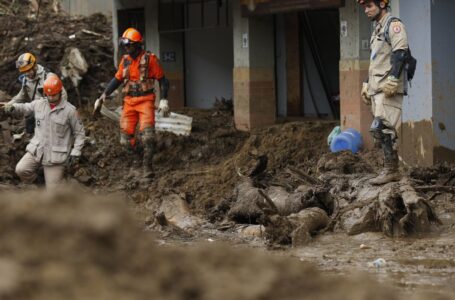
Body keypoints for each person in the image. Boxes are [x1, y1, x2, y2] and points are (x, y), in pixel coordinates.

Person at [95, 27, 169, 182]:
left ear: (138, 45)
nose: (127, 48)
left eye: (129, 45)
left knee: (148, 137)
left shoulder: (150, 59)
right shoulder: (125, 61)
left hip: (146, 101)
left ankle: (147, 167)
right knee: (125, 141)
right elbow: (117, 80)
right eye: (125, 46)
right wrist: (103, 95)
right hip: (129, 102)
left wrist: (164, 99)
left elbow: (163, 80)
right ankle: (138, 158)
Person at [0, 74, 85, 190]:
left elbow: (79, 133)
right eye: (47, 95)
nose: (50, 98)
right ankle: (39, 185)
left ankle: (61, 184)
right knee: (21, 170)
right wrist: (12, 107)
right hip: (37, 150)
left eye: (53, 95)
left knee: (53, 192)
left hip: (55, 157)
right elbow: (25, 107)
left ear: (60, 92)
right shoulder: (39, 104)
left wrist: (76, 152)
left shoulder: (70, 111)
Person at [358, 0, 409, 185]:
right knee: (381, 131)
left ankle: (391, 171)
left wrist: (394, 79)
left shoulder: (394, 25)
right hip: (377, 87)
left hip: (389, 88)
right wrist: (366, 83)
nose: (366, 10)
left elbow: (401, 53)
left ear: (382, 4)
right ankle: (390, 169)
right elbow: (376, 61)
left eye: (369, 6)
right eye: (364, 7)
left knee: (382, 127)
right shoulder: (377, 29)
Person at [7, 52, 68, 134]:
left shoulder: (48, 77)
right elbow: (21, 96)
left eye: (28, 70)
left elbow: (63, 95)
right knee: (30, 119)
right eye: (24, 71)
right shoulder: (26, 80)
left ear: (34, 66)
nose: (27, 73)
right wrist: (10, 104)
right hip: (37, 110)